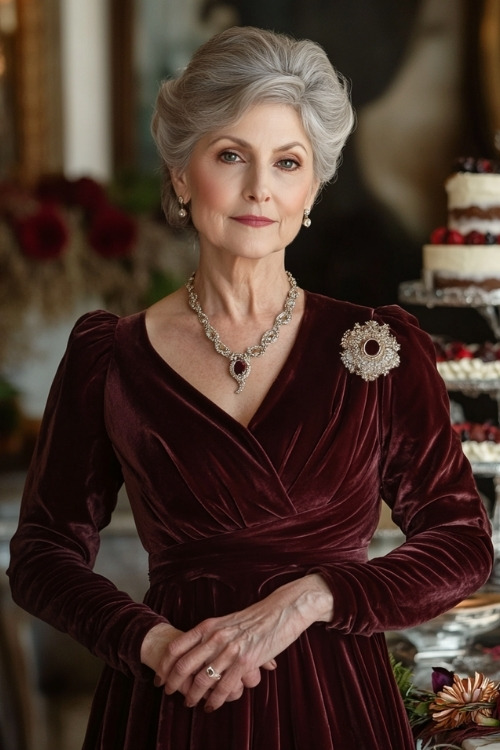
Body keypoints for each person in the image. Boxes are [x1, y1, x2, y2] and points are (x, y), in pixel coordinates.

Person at [7, 26, 493, 750]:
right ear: (180, 174)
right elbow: (43, 554)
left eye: (287, 162)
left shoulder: (383, 348)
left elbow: (461, 544)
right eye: (231, 155)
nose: (260, 187)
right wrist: (149, 642)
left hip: (335, 706)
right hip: (171, 698)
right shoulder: (109, 355)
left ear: (312, 187)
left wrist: (310, 598)